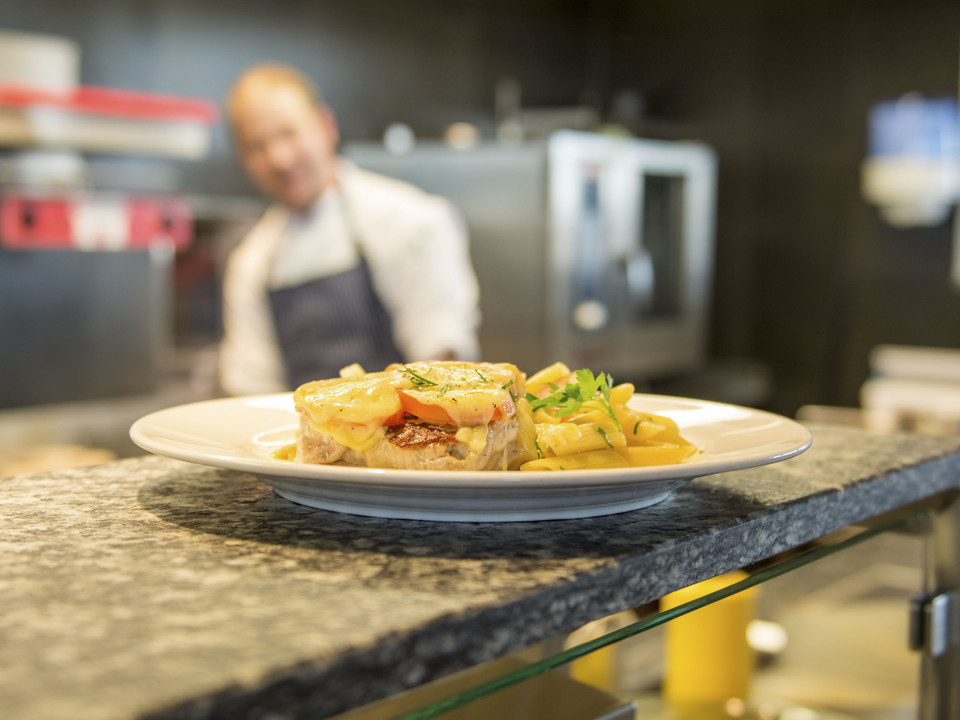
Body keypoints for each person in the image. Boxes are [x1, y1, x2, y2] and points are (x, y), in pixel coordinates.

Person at [218, 63, 481, 395]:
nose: (279, 159)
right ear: (242, 158)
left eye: (289, 134)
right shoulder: (251, 264)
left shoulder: (409, 221)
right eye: (258, 146)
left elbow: (443, 357)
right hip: (301, 439)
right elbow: (251, 389)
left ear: (326, 127)